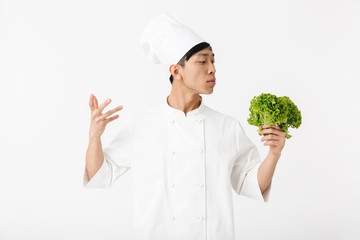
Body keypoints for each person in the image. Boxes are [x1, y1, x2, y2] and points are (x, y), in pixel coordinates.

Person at [83, 13, 286, 240]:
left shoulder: (227, 127)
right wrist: (94, 137)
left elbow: (252, 185)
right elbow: (98, 175)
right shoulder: (142, 126)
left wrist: (274, 154)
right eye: (203, 61)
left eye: (213, 61)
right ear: (176, 71)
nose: (212, 69)